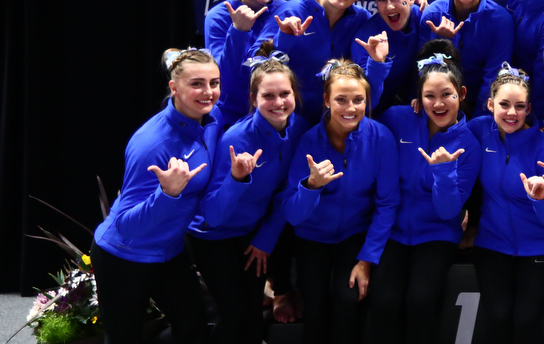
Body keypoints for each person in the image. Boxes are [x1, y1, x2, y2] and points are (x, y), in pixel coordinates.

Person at [91, 48, 223, 344]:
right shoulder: (152, 143)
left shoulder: (210, 118)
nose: (208, 92)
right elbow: (126, 225)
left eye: (214, 83)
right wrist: (167, 193)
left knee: (195, 331)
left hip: (171, 253)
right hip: (123, 256)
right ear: (174, 89)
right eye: (197, 84)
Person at [185, 51, 307, 344]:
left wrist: (265, 239)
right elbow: (213, 214)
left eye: (284, 94)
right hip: (212, 236)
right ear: (254, 99)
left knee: (253, 313)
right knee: (234, 313)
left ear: (294, 95)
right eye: (268, 96)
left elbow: (286, 193)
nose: (278, 103)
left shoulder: (299, 128)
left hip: (251, 234)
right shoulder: (237, 140)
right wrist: (236, 179)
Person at [366, 40, 483, 344]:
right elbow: (359, 115)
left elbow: (448, 212)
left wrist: (444, 172)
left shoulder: (468, 145)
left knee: (420, 301)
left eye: (447, 95)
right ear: (418, 97)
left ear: (462, 94)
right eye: (429, 96)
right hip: (393, 230)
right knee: (383, 301)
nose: (439, 104)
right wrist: (376, 68)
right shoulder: (398, 118)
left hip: (437, 233)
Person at [282, 59, 400, 344]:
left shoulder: (381, 138)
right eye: (341, 100)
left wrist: (367, 259)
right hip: (312, 237)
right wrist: (311, 187)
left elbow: (387, 204)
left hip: (354, 235)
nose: (350, 108)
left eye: (358, 100)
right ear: (326, 100)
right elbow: (293, 215)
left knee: (347, 301)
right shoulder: (310, 141)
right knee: (316, 309)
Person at [467, 62, 544, 344]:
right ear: (490, 104)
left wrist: (541, 199)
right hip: (492, 247)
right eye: (504, 104)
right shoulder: (479, 131)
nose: (511, 113)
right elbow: (442, 123)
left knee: (526, 323)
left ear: (529, 109)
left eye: (520, 106)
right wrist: (417, 108)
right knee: (497, 319)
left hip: (540, 249)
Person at [252, 0, 373, 123]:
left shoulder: (362, 20)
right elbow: (254, 63)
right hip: (288, 119)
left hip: (334, 123)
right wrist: (284, 38)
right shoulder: (291, 11)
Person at [419, 0, 514, 118]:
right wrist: (443, 43)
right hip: (441, 104)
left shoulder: (501, 20)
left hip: (484, 106)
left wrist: (478, 123)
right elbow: (424, 73)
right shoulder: (432, 15)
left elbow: (492, 79)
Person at [204, 0, 285, 126]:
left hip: (273, 115)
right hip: (231, 118)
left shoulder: (284, 11)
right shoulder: (218, 16)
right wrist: (239, 31)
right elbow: (222, 80)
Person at [353, 0, 424, 115]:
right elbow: (365, 102)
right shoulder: (366, 39)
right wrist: (377, 63)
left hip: (411, 108)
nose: (390, 6)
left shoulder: (421, 16)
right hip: (372, 117)